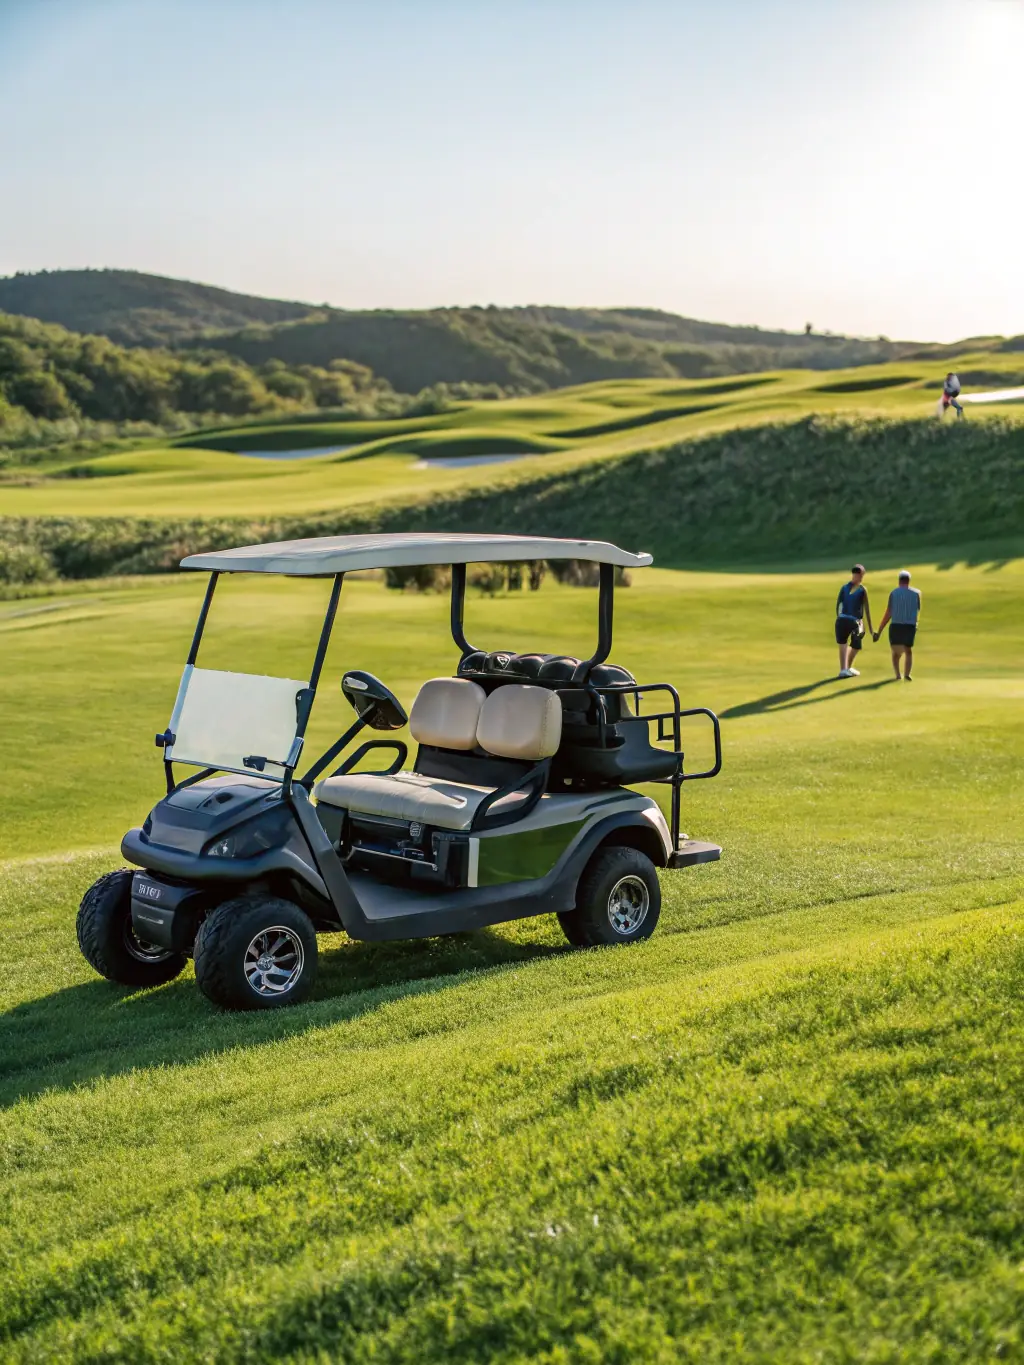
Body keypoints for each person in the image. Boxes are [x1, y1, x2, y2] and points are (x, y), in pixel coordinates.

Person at [874, 570, 922, 681]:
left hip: (896, 625)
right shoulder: (917, 594)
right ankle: (907, 674)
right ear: (908, 581)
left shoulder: (893, 593)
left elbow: (888, 613)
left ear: (899, 580)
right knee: (908, 650)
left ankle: (898, 675)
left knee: (896, 653)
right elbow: (917, 610)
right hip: (910, 626)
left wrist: (879, 631)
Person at [835, 563, 874, 678]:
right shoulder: (862, 590)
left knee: (849, 644)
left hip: (846, 620)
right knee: (848, 644)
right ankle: (844, 669)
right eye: (860, 575)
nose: (861, 577)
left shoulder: (845, 588)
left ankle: (846, 668)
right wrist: (870, 630)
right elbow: (866, 610)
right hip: (853, 621)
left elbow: (838, 605)